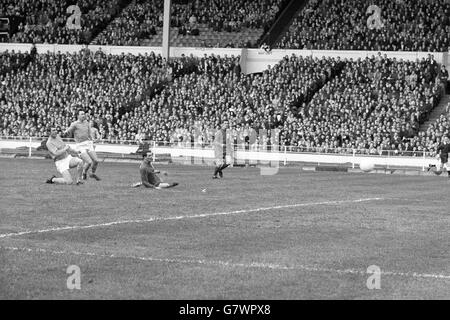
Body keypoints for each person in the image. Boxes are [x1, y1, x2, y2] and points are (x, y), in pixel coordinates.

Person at [64, 110, 101, 180]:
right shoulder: (74, 124)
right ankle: (84, 173)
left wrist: (93, 139)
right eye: (82, 114)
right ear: (78, 116)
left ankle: (92, 174)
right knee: (89, 162)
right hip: (80, 145)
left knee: (96, 161)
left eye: (84, 114)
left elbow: (89, 132)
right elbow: (68, 130)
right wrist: (66, 132)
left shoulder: (87, 123)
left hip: (88, 143)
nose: (84, 115)